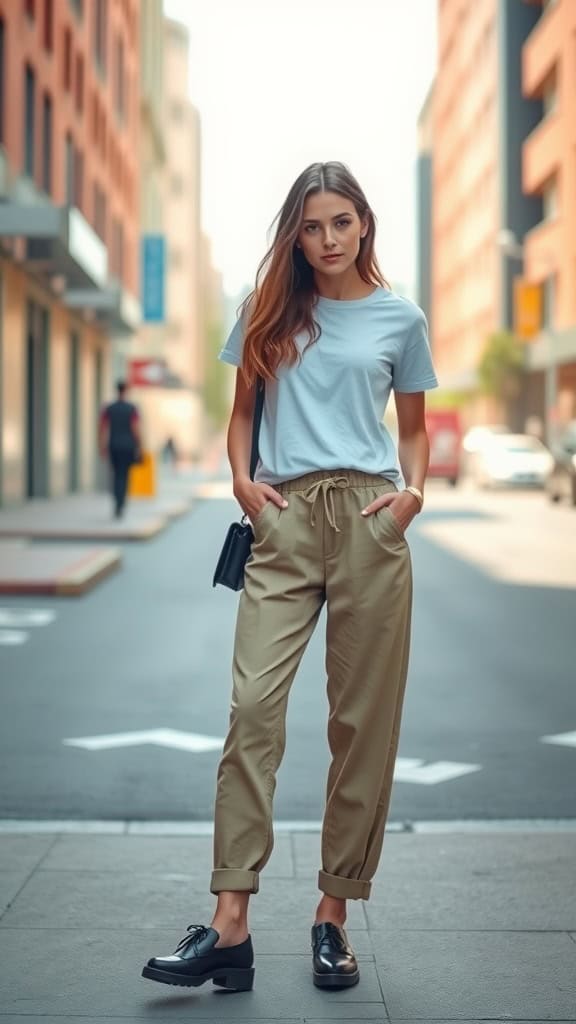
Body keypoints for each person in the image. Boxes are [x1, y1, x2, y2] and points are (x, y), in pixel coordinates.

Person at [142, 161, 438, 993]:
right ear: (295, 235)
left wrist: (412, 495)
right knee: (253, 712)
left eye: (342, 222)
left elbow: (412, 428)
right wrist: (243, 483)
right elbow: (242, 413)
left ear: (365, 224)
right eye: (312, 227)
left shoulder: (399, 317)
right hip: (284, 517)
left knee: (362, 725)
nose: (328, 239)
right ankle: (230, 924)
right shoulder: (268, 312)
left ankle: (332, 915)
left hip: (372, 523)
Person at [98, 380, 141, 519]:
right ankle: (121, 504)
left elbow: (102, 428)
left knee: (116, 475)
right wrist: (139, 446)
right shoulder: (132, 408)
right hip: (128, 446)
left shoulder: (109, 408)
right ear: (126, 391)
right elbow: (135, 429)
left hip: (113, 445)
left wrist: (102, 446)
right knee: (125, 475)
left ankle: (117, 503)